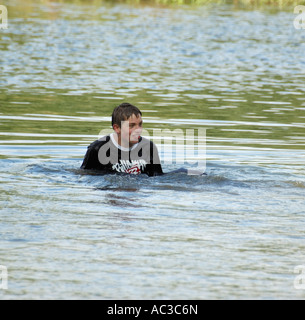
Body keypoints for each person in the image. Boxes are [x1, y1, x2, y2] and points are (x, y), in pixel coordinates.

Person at [81, 102, 164, 177]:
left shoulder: (149, 147)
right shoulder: (97, 148)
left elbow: (158, 178)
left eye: (140, 124)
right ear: (117, 128)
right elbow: (84, 175)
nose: (138, 130)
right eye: (131, 126)